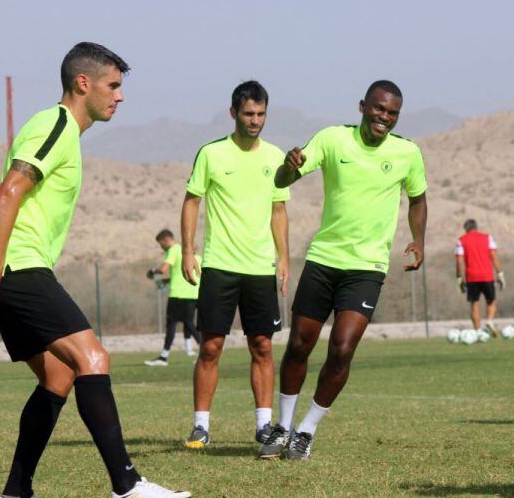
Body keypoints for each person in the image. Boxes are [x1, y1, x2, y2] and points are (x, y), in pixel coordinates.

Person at [0, 42, 188, 498]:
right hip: (17, 267)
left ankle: (16, 490)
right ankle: (127, 485)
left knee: (58, 377)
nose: (119, 97)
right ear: (83, 83)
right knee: (92, 358)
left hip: (20, 266)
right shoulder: (55, 125)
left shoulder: (66, 135)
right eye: (113, 86)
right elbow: (6, 193)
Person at [259, 80, 428, 460]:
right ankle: (282, 426)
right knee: (300, 343)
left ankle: (306, 430)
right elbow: (282, 180)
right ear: (362, 106)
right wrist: (288, 168)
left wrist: (419, 240)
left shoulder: (407, 153)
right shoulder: (334, 139)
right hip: (323, 260)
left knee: (342, 348)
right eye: (378, 108)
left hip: (366, 268)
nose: (384, 117)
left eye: (392, 113)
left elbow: (418, 199)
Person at [180, 81, 290, 449]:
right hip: (220, 267)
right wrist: (187, 250)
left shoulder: (275, 156)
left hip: (260, 269)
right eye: (248, 113)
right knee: (210, 347)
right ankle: (200, 427)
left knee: (263, 346)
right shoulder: (211, 154)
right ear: (233, 113)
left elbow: (279, 209)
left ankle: (264, 425)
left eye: (260, 114)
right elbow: (192, 201)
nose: (255, 120)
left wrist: (284, 257)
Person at [144, 229, 202, 366]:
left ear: (165, 240)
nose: (161, 247)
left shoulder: (174, 250)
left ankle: (164, 357)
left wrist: (152, 272)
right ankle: (166, 356)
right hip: (193, 294)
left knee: (173, 324)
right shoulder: (194, 256)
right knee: (188, 323)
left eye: (160, 244)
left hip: (178, 295)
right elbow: (184, 274)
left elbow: (163, 269)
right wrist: (168, 281)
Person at [455, 219, 505, 335]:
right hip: (487, 275)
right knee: (491, 301)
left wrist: (459, 278)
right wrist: (500, 273)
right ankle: (490, 321)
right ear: (476, 227)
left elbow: (459, 260)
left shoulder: (461, 240)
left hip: (471, 277)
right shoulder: (488, 238)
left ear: (466, 229)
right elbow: (493, 255)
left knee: (474, 304)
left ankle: (477, 332)